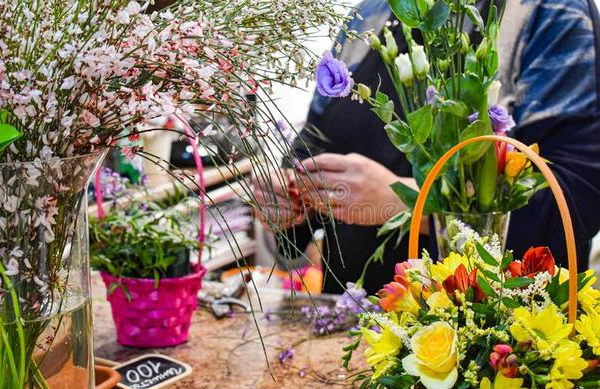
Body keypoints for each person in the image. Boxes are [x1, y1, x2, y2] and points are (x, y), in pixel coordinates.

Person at [252, 0, 600, 294]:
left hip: (491, 347)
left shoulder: (548, 13)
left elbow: (575, 200)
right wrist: (287, 201)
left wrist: (409, 203)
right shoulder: (370, 15)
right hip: (352, 330)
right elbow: (311, 148)